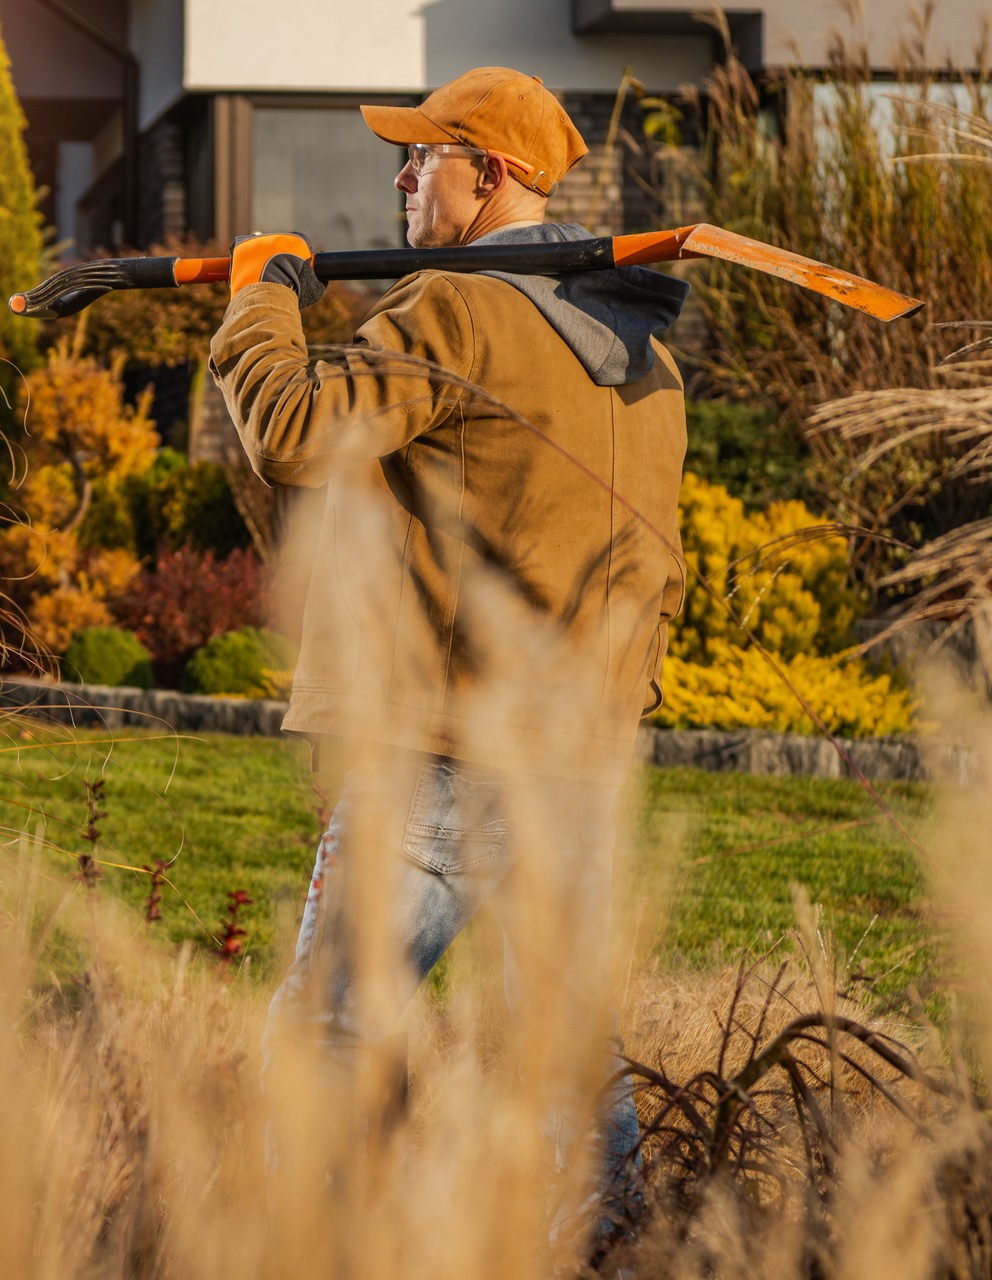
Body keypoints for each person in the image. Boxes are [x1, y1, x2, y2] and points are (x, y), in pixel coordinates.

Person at [207, 67, 688, 1214]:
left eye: (427, 157)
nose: (403, 175)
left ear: (497, 175)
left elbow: (294, 430)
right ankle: (617, 1246)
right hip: (577, 754)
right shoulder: (643, 353)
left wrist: (260, 297)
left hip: (448, 745)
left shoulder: (460, 307)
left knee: (330, 1024)